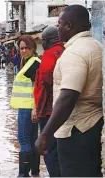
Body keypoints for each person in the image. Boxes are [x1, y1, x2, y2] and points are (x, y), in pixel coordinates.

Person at [35, 5, 103, 177]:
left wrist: (44, 134)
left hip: (75, 131)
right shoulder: (97, 46)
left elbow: (68, 97)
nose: (58, 29)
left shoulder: (75, 53)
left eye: (60, 24)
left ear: (69, 26)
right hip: (93, 127)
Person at [33, 26, 64, 177]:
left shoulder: (49, 55)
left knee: (49, 150)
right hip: (64, 109)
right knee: (61, 150)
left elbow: (45, 78)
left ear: (47, 41)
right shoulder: (65, 51)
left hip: (48, 112)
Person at [10, 35, 41, 177]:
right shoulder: (29, 62)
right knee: (32, 139)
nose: (23, 51)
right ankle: (35, 171)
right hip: (28, 107)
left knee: (23, 139)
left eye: (26, 48)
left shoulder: (34, 63)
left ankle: (23, 174)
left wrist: (35, 108)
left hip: (28, 108)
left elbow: (37, 87)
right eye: (21, 48)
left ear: (33, 48)